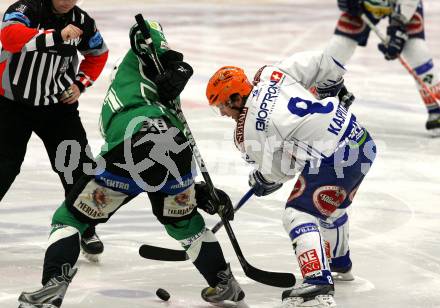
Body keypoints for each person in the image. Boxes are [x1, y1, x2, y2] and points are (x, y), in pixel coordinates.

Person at [17, 19, 247, 308]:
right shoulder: (151, 87)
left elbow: (146, 30)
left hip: (135, 147)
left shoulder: (127, 82)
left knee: (71, 217)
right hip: (174, 149)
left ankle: (53, 285)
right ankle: (223, 282)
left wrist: (173, 63)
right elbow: (163, 154)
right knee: (185, 223)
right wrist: (195, 190)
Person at [206, 52, 377, 307]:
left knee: (297, 214)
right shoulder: (270, 76)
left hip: (336, 155)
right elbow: (324, 62)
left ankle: (317, 285)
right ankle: (341, 264)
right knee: (329, 208)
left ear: (235, 97)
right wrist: (336, 89)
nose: (222, 113)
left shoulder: (251, 128)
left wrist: (262, 179)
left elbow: (279, 173)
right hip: (362, 142)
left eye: (222, 105)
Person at [0, 0, 109, 258]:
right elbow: (9, 37)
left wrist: (80, 84)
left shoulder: (83, 22)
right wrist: (57, 35)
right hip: (10, 105)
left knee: (78, 166)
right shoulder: (27, 9)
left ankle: (85, 224)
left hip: (56, 106)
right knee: (3, 166)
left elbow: (98, 54)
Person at [325, 0, 440, 134]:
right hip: (364, 4)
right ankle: (317, 100)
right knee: (337, 49)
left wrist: (399, 24)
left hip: (401, 4)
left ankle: (436, 109)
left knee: (416, 52)